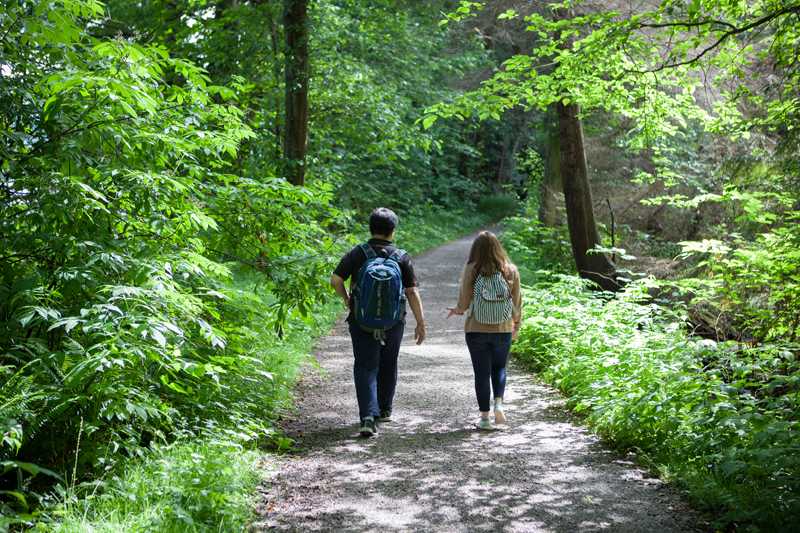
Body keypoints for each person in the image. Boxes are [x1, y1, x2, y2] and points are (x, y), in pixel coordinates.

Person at [331, 208, 426, 437]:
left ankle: (367, 417)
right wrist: (421, 324)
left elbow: (336, 279)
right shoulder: (400, 256)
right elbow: (412, 292)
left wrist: (347, 300)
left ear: (370, 228)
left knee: (365, 366)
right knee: (388, 362)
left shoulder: (357, 252)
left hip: (361, 320)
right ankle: (384, 410)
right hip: (393, 322)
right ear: (393, 231)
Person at [446, 231, 522, 430]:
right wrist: (516, 327)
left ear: (475, 249)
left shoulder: (471, 269)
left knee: (481, 374)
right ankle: (499, 403)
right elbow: (517, 303)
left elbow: (463, 303)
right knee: (499, 368)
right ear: (498, 247)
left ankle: (485, 419)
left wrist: (456, 311)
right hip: (503, 329)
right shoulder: (510, 270)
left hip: (476, 330)